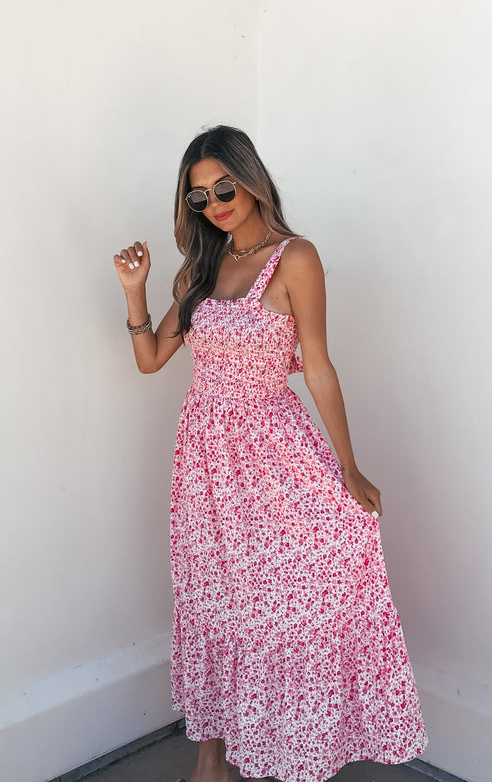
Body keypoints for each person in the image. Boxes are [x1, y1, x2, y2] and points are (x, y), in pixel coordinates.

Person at [113, 125, 428, 782]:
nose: (215, 204)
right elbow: (150, 360)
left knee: (296, 592)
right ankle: (210, 761)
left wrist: (348, 468)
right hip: (204, 460)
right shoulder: (199, 269)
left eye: (224, 187)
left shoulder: (295, 259)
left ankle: (299, 747)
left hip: (273, 452)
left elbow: (318, 367)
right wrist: (136, 290)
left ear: (251, 179)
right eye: (199, 196)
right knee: (214, 598)